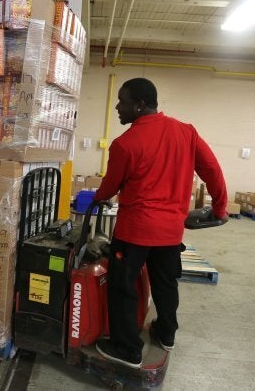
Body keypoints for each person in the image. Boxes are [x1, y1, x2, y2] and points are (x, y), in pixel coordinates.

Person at [93, 77, 228, 369]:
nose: (118, 107)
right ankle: (166, 334)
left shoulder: (125, 144)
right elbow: (213, 171)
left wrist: (96, 199)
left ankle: (127, 349)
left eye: (123, 101)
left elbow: (110, 187)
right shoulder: (187, 132)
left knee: (123, 286)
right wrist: (219, 208)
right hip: (170, 233)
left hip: (134, 232)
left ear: (140, 106)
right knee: (166, 283)